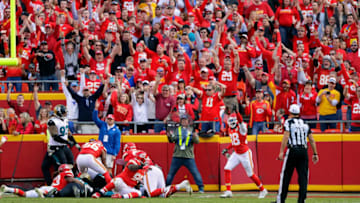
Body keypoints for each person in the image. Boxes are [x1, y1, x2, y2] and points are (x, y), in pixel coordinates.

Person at [275, 104, 319, 203]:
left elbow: (286, 137)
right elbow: (311, 139)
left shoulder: (288, 122)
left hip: (292, 150)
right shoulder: (305, 123)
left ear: (290, 113)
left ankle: (281, 200)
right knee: (303, 177)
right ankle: (301, 200)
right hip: (303, 151)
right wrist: (315, 153)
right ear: (299, 113)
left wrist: (281, 151)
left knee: (286, 176)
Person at [220, 113, 268, 198]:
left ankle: (263, 190)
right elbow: (235, 142)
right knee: (227, 168)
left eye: (232, 121)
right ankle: (228, 191)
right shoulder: (230, 130)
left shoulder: (241, 128)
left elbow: (241, 122)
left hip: (245, 154)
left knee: (250, 174)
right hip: (236, 153)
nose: (231, 123)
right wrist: (227, 148)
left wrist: (238, 113)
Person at [166, 114, 204, 193]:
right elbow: (172, 140)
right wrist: (169, 136)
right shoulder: (177, 130)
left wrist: (194, 137)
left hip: (188, 156)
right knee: (171, 173)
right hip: (177, 155)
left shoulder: (191, 130)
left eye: (185, 120)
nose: (184, 122)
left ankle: (201, 188)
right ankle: (166, 188)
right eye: (182, 120)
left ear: (188, 121)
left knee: (195, 172)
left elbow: (197, 142)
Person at [93, 101, 121, 174]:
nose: (109, 120)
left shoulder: (117, 131)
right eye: (108, 119)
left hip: (109, 151)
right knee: (99, 167)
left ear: (114, 120)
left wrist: (115, 153)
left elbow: (117, 143)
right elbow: (95, 119)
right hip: (101, 150)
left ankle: (109, 182)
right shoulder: (103, 125)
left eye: (111, 119)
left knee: (108, 168)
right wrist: (96, 109)